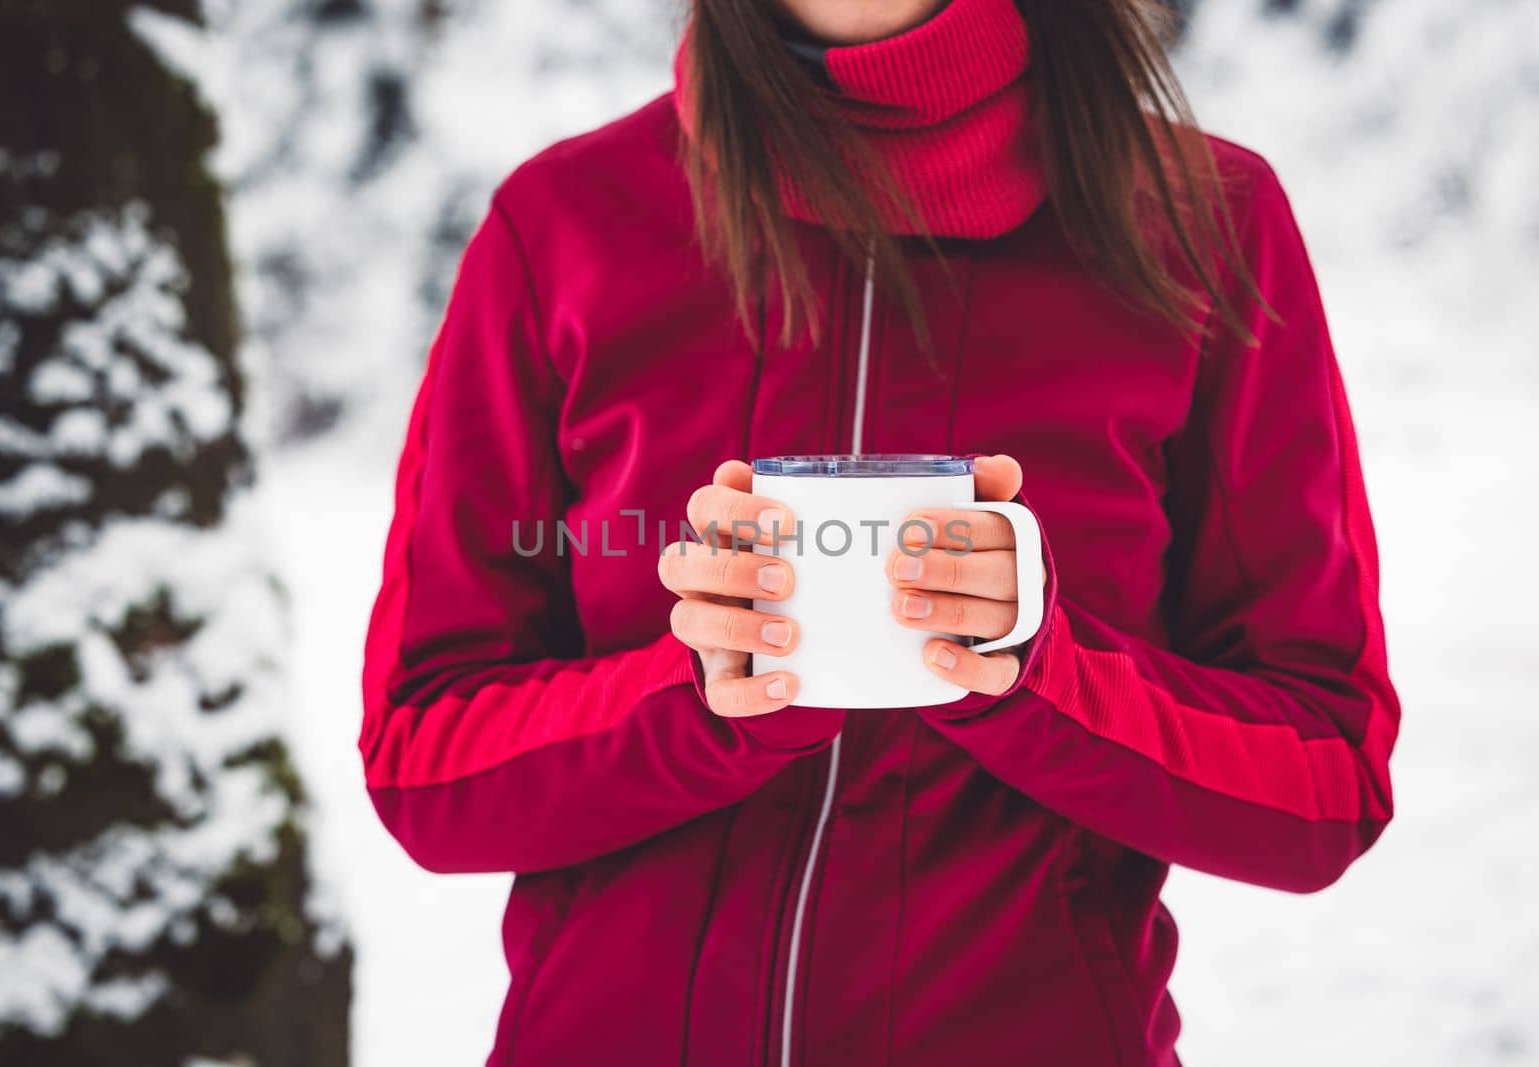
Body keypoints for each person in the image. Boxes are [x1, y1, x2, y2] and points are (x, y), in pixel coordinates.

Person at [358, 0, 1401, 1062]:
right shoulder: (566, 222)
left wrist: (1037, 674)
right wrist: (695, 697)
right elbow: (424, 766)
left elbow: (1322, 787)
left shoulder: (1203, 221)